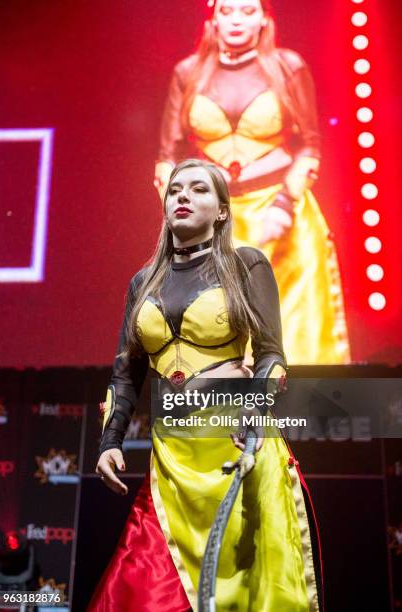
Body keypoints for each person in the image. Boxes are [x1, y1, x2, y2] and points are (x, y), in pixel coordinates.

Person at [88, 159, 323, 611]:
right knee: (138, 591)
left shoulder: (246, 264)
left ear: (221, 210)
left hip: (239, 451)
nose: (182, 196)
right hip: (172, 463)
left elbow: (271, 354)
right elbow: (126, 372)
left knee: (254, 594)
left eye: (198, 189)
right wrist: (110, 440)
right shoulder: (143, 282)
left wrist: (255, 414)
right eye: (176, 189)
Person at [154, 0, 350, 365]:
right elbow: (169, 156)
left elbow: (310, 146)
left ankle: (302, 418)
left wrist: (284, 205)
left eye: (247, 10)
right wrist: (185, 212)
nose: (236, 21)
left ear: (264, 17)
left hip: (284, 217)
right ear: (213, 18)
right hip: (216, 221)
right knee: (219, 328)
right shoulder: (189, 73)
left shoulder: (286, 67)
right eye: (227, 11)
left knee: (296, 333)